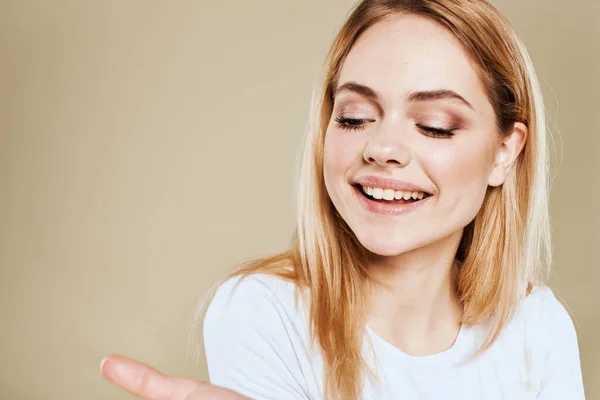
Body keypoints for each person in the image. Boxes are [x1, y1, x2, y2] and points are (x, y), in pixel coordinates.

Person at [101, 0, 586, 399]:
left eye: (434, 124)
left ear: (504, 152)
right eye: (353, 116)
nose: (381, 148)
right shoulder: (265, 310)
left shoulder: (537, 327)